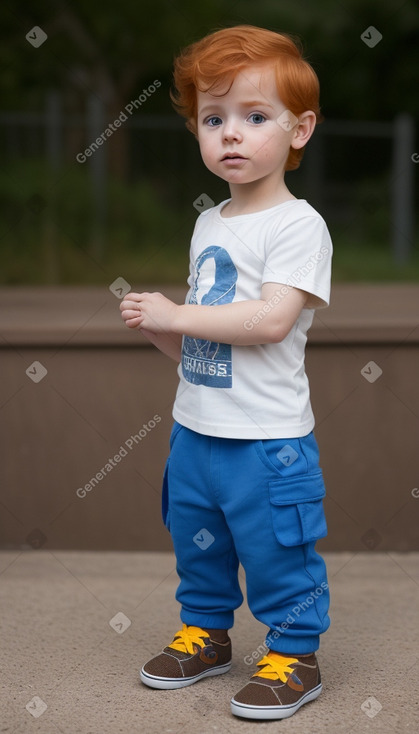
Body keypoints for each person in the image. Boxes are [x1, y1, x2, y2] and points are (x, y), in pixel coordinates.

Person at [120, 24, 332, 721]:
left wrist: (175, 313)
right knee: (197, 541)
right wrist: (163, 331)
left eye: (253, 117)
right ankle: (206, 633)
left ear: (299, 130)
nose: (230, 135)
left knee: (277, 549)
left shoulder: (298, 226)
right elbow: (202, 349)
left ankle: (294, 653)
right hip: (197, 430)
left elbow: (269, 321)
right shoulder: (208, 223)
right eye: (213, 119)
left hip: (266, 440)